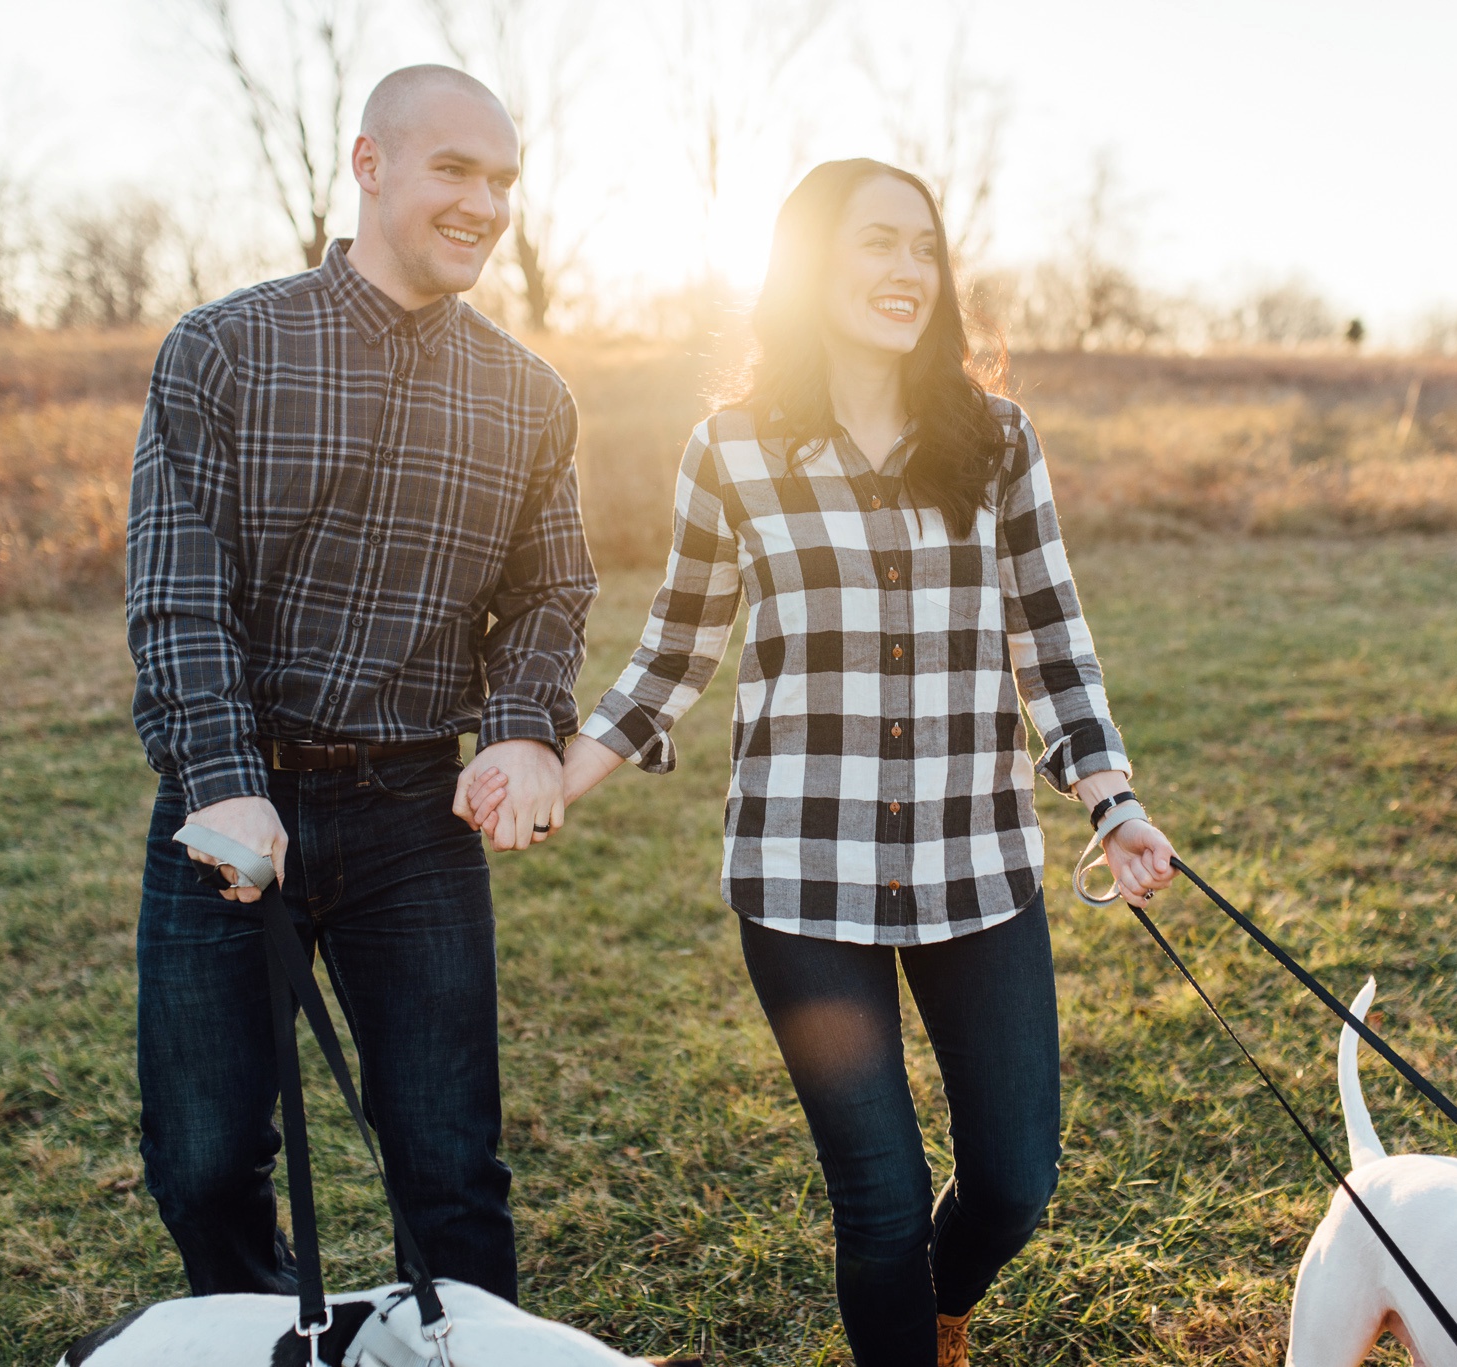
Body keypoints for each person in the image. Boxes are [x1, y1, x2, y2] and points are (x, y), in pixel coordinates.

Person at [466, 159, 1178, 1367]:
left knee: (1013, 1178)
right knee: (881, 1202)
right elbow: (671, 652)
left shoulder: (995, 441)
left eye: (923, 248)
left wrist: (1111, 801)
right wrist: (551, 769)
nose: (906, 271)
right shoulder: (731, 452)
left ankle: (940, 1308)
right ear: (806, 263)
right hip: (802, 876)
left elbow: (1049, 640)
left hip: (975, 864)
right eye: (874, 245)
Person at [125, 64, 595, 1303]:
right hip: (233, 808)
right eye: (456, 169)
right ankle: (272, 1326)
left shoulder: (531, 396)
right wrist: (223, 785)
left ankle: (458, 1346)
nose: (486, 204)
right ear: (370, 164)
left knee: (450, 1170)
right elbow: (178, 592)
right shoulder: (224, 348)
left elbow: (549, 594)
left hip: (411, 817)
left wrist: (520, 732)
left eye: (503, 181)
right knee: (204, 1158)